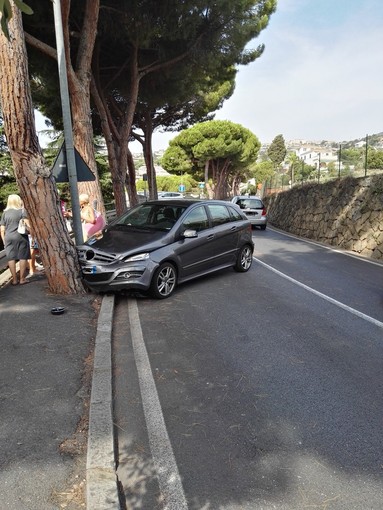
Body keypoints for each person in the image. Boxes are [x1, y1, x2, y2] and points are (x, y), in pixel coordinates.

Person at [0, 194, 31, 285]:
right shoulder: (22, 211)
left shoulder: (5, 213)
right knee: (22, 257)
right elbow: (28, 226)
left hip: (8, 237)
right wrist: (32, 233)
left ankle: (14, 280)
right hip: (21, 237)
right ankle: (22, 279)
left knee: (11, 258)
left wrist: (4, 240)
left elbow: (2, 229)